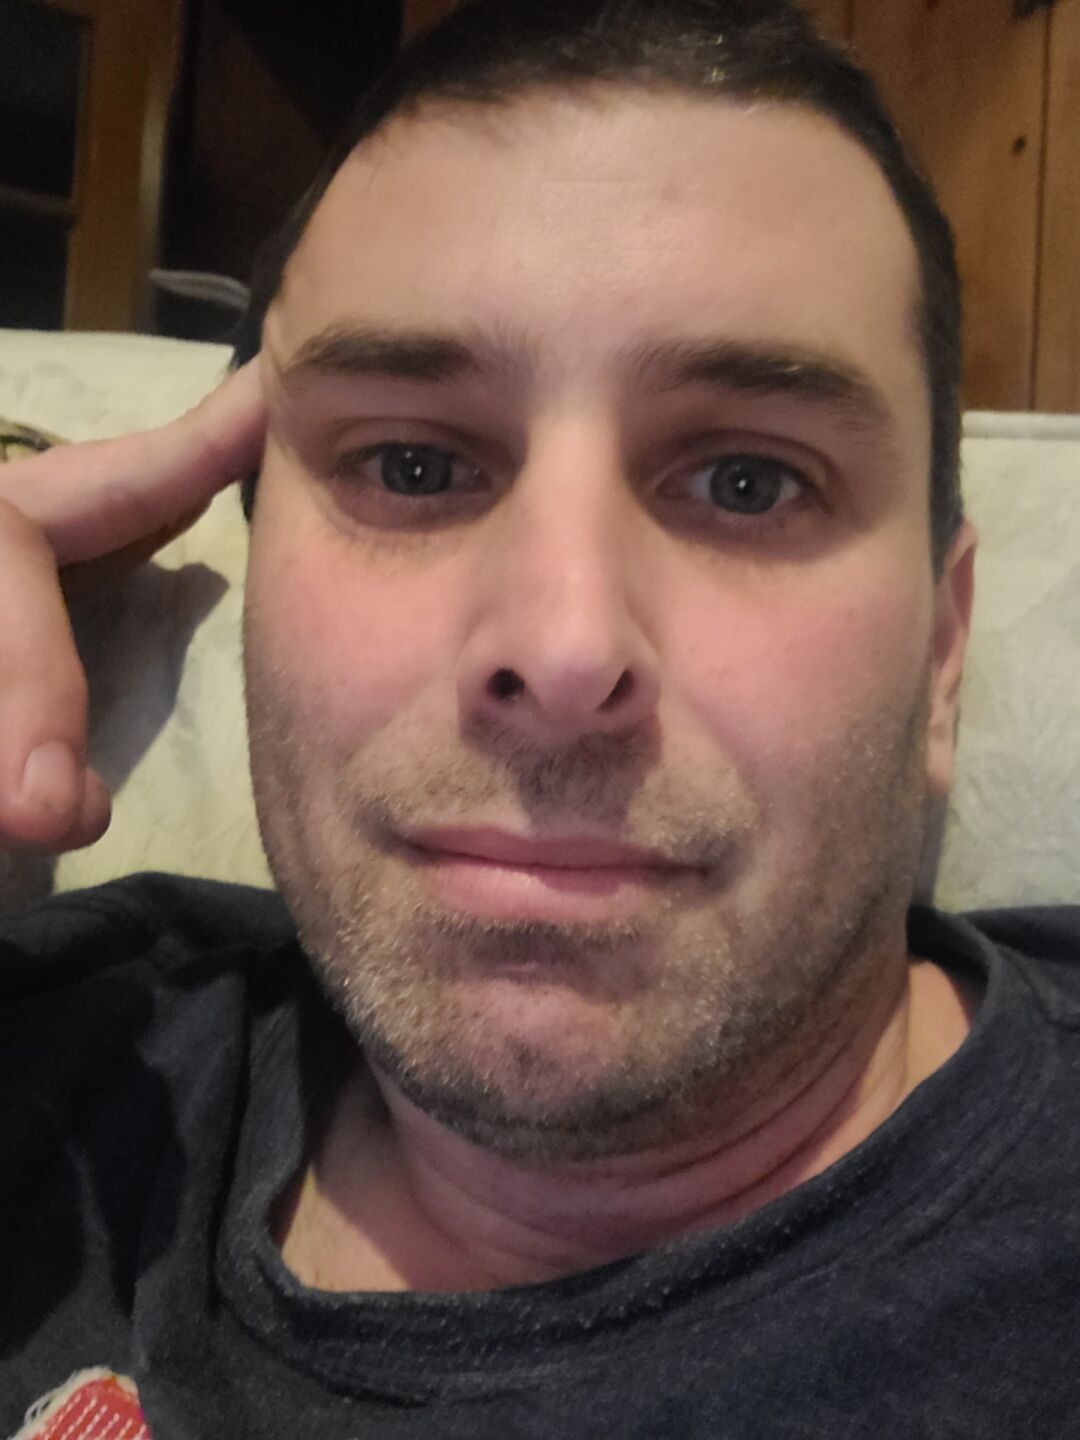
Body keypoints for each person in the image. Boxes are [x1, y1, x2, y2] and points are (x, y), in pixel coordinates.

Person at [2, 0, 1079, 1434]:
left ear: (942, 651)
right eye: (411, 464)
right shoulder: (75, 1062)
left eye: (749, 481)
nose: (564, 650)